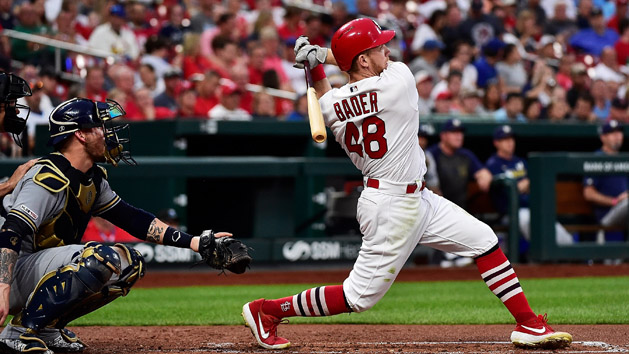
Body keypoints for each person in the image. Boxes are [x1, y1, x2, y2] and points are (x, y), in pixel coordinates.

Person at [241, 18, 572, 351]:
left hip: (414, 197)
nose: (386, 50)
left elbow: (327, 94)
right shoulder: (399, 82)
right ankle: (267, 311)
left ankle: (528, 323)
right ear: (363, 61)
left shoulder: (330, 108)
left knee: (484, 240)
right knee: (356, 297)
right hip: (391, 206)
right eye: (377, 47)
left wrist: (314, 66)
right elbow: (361, 68)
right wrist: (323, 56)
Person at [0, 97, 247, 353]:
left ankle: (46, 327)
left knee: (130, 263)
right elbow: (12, 231)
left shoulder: (92, 179)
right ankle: (19, 332)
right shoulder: (46, 176)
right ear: (81, 135)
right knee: (100, 257)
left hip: (29, 270)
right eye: (100, 127)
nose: (107, 134)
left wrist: (195, 242)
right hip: (10, 271)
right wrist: (2, 287)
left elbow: (133, 219)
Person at [486, 125, 574, 250]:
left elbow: (534, 183)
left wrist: (529, 183)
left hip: (531, 208)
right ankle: (542, 251)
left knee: (555, 227)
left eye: (511, 139)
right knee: (526, 219)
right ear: (496, 143)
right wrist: (517, 186)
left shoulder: (521, 162)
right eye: (505, 140)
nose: (510, 143)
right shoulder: (493, 164)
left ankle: (567, 250)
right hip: (510, 212)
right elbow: (501, 190)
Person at [583, 120, 628, 238]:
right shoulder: (597, 158)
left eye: (619, 133)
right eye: (612, 134)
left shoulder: (624, 158)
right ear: (603, 137)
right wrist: (615, 201)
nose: (617, 137)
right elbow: (589, 193)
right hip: (607, 214)